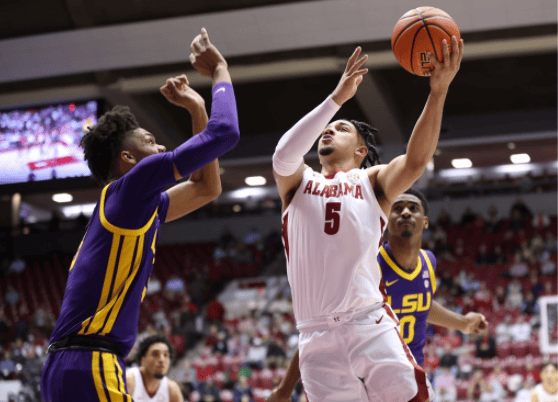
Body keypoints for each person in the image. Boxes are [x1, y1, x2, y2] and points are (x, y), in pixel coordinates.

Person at [41, 28, 239, 402]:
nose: (162, 146)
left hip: (69, 364)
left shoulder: (132, 207)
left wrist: (197, 109)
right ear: (127, 159)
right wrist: (219, 73)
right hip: (91, 362)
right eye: (150, 142)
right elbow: (226, 132)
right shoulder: (132, 186)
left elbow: (206, 188)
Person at [268, 191, 488, 402]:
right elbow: (325, 328)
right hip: (364, 381)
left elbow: (419, 304)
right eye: (398, 208)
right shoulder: (367, 266)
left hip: (407, 377)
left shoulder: (428, 261)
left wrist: (462, 322)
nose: (405, 213)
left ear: (425, 222)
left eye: (413, 208)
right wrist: (285, 389)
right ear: (384, 220)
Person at [125, 335, 182, 402]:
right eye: (155, 354)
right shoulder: (128, 381)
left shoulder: (172, 390)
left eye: (165, 355)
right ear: (143, 360)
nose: (162, 359)